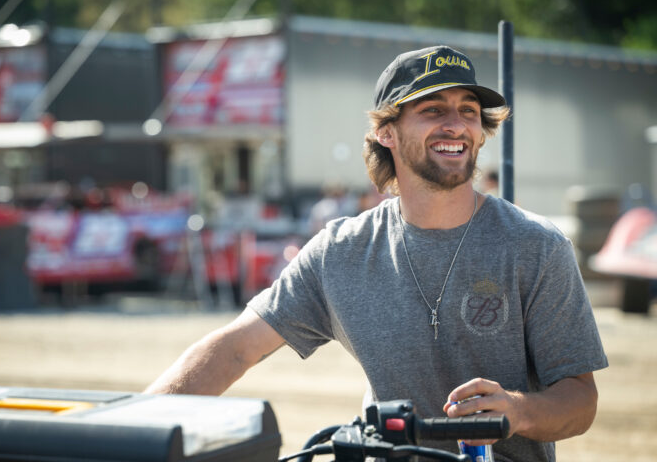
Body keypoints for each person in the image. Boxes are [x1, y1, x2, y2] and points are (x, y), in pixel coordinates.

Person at [146, 45, 608, 462]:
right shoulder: (341, 252)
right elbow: (233, 350)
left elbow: (580, 401)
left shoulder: (537, 246)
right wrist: (134, 427)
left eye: (469, 110)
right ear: (387, 132)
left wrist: (518, 411)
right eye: (432, 109)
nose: (456, 124)